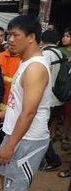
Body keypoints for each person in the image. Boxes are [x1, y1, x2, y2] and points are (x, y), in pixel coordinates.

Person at [0, 15, 52, 191]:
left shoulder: (35, 68)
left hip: (27, 139)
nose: (10, 40)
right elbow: (23, 103)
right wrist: (6, 113)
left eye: (15, 35)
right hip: (14, 132)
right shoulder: (25, 63)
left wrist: (11, 145)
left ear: (31, 37)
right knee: (4, 175)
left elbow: (30, 112)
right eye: (9, 35)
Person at [40, 30, 64, 171]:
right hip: (57, 99)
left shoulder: (45, 55)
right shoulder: (59, 53)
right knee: (43, 130)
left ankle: (52, 159)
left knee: (41, 132)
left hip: (48, 100)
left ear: (42, 40)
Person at [57, 27, 71, 178]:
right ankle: (63, 136)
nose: (64, 38)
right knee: (64, 114)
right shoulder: (59, 51)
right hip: (64, 91)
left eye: (68, 36)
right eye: (64, 35)